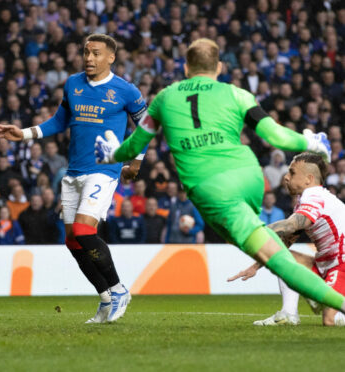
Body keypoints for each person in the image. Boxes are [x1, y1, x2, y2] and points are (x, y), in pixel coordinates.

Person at [94, 38, 345, 317]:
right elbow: (274, 135)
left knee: (276, 259)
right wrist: (308, 142)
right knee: (258, 243)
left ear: (187, 67)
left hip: (213, 189)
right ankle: (310, 294)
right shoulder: (237, 94)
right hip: (249, 175)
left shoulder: (164, 98)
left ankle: (316, 304)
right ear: (220, 67)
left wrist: (111, 154)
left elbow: (135, 145)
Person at [0, 34, 147, 323]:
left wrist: (136, 161)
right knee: (73, 242)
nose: (89, 58)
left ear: (110, 58)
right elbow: (59, 121)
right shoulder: (73, 83)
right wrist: (23, 133)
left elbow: (147, 124)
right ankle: (104, 299)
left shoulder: (125, 90)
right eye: (86, 52)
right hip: (74, 171)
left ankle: (118, 289)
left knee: (85, 232)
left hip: (104, 167)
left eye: (96, 53)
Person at [229, 153, 345, 326]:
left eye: (292, 172)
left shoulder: (314, 196)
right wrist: (255, 266)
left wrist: (250, 231)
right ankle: (288, 314)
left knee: (329, 320)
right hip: (325, 264)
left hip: (341, 265)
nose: (286, 177)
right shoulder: (307, 199)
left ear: (308, 179)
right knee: (282, 256)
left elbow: (290, 226)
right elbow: (285, 239)